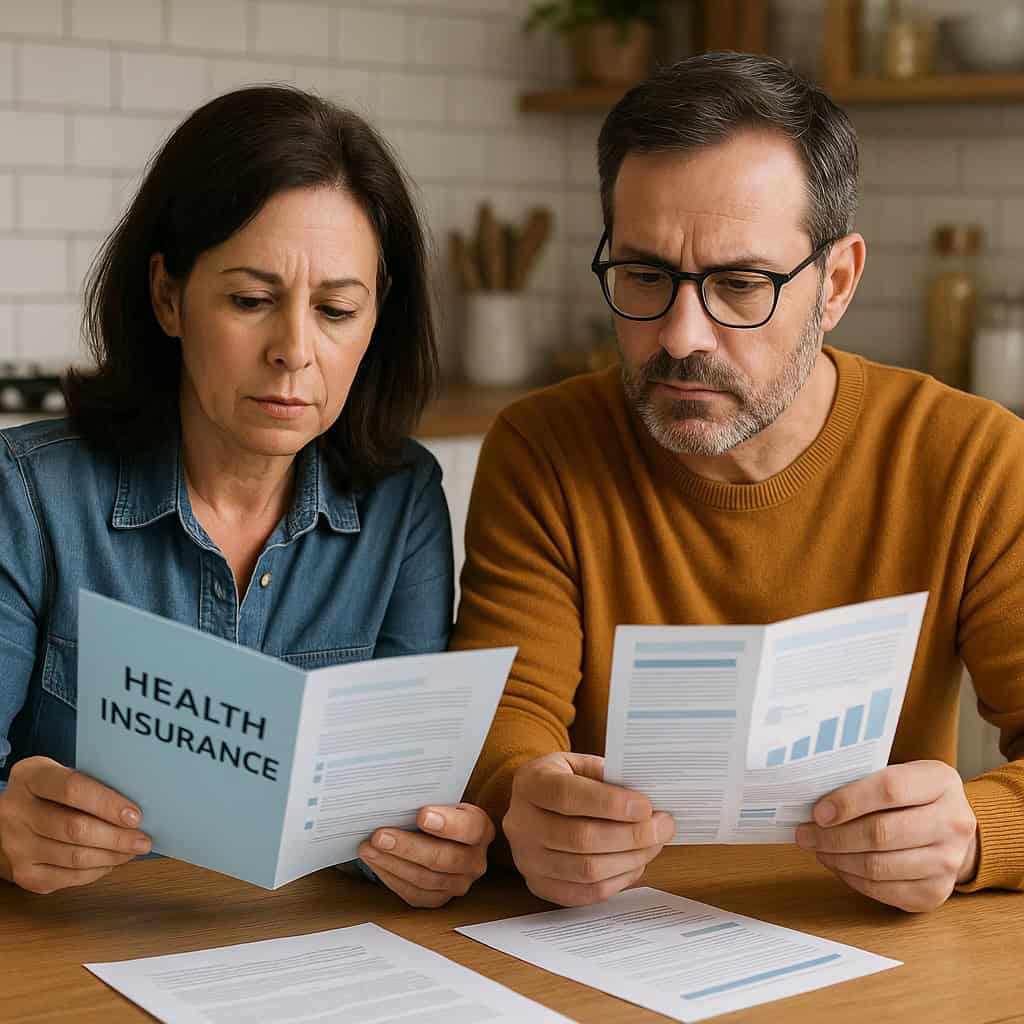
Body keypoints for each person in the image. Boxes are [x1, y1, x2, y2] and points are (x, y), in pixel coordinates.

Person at [451, 52, 1024, 913]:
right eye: (644, 276)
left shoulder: (972, 458)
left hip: (868, 943)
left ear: (835, 284)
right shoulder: (545, 447)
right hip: (603, 938)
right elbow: (507, 716)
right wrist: (521, 800)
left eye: (739, 284)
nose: (683, 335)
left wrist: (978, 831)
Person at [0, 86, 493, 905]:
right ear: (168, 297)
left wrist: (436, 848)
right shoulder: (25, 493)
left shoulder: (403, 501)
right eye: (251, 301)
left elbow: (404, 808)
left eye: (337, 309)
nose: (294, 351)